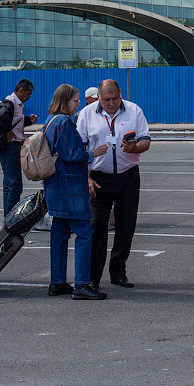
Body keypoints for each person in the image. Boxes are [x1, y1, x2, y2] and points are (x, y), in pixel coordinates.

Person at [76, 79, 151, 289]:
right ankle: (93, 277)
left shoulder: (134, 110)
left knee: (126, 226)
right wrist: (87, 178)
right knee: (96, 228)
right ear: (98, 97)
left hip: (128, 176)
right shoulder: (87, 114)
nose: (111, 103)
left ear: (120, 95)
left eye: (115, 98)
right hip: (98, 178)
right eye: (107, 99)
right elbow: (80, 150)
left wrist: (135, 148)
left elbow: (146, 140)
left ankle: (118, 272)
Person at [42, 84, 108, 300]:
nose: (78, 103)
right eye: (75, 100)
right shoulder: (64, 122)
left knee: (59, 234)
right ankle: (81, 284)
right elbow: (72, 154)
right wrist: (92, 154)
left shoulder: (49, 120)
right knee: (84, 232)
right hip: (70, 186)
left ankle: (57, 281)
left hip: (54, 185)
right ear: (65, 101)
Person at [0, 78, 37, 215]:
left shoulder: (18, 104)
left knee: (9, 184)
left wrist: (28, 120)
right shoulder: (10, 102)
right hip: (10, 146)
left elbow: (15, 122)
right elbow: (2, 114)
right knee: (15, 185)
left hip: (13, 145)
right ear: (20, 90)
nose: (28, 97)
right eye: (28, 93)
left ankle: (8, 217)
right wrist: (8, 131)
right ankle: (11, 218)